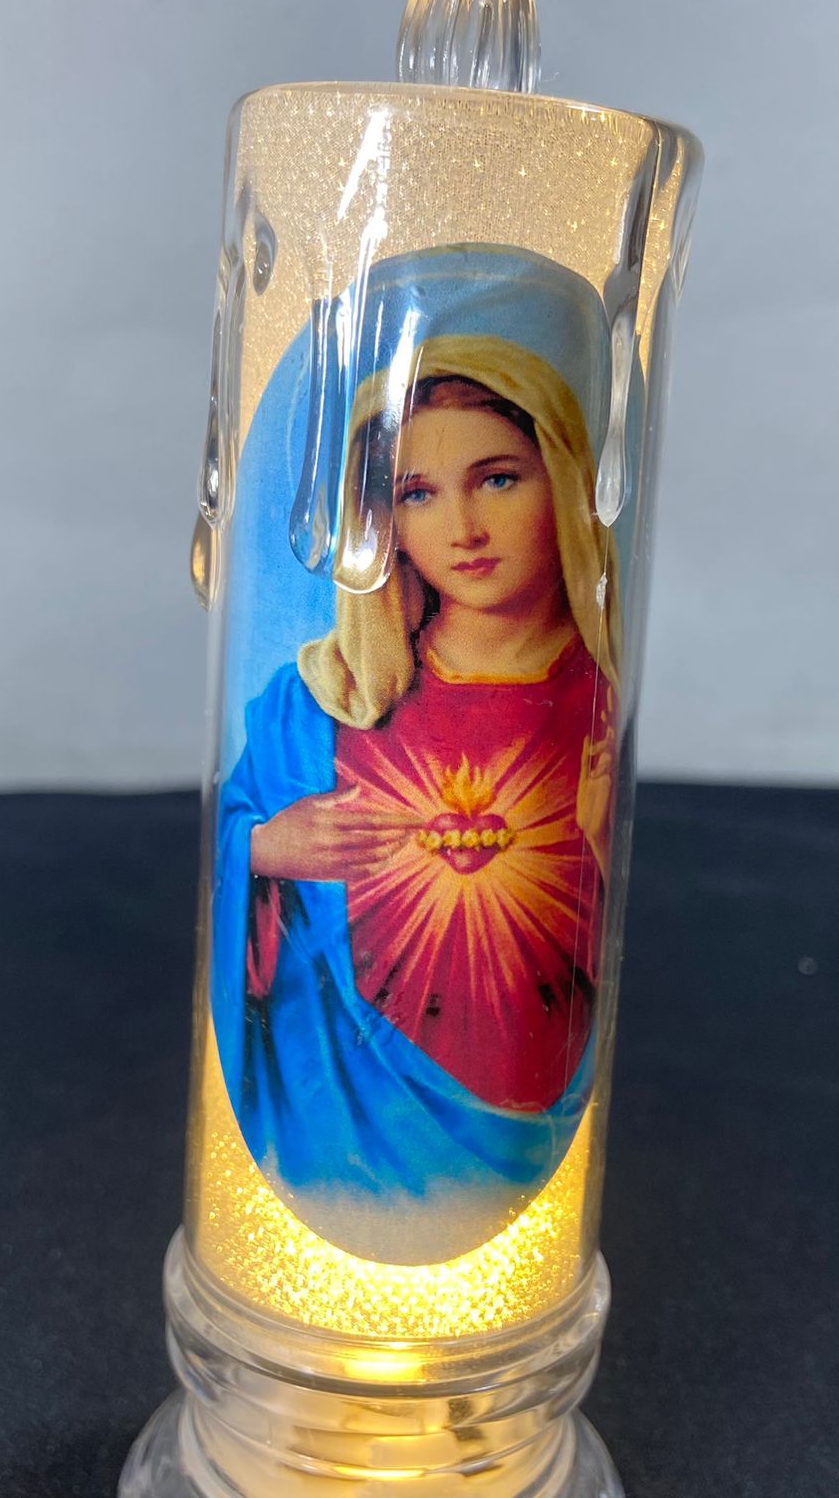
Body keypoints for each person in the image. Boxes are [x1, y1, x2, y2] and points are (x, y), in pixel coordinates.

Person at [210, 332, 620, 1261]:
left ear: (563, 478)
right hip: (332, 1137)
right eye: (417, 495)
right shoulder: (320, 704)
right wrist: (264, 849)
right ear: (380, 522)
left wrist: (596, 843)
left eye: (498, 479)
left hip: (525, 1150)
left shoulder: (596, 705)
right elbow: (230, 850)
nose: (462, 528)